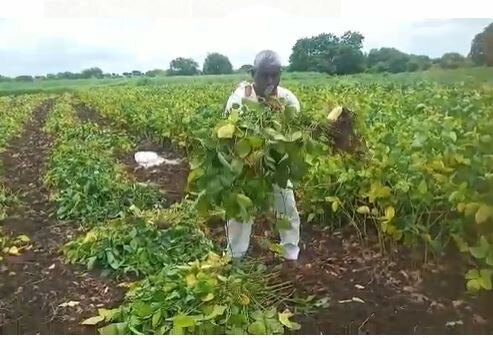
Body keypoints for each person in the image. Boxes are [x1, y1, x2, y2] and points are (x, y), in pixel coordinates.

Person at [224, 50, 302, 261]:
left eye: (275, 75)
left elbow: (295, 133)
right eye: (264, 75)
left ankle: (290, 254)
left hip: (276, 162)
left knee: (287, 206)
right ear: (252, 73)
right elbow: (232, 137)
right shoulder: (238, 101)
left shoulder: (288, 100)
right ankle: (235, 258)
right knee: (241, 211)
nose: (270, 81)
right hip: (247, 164)